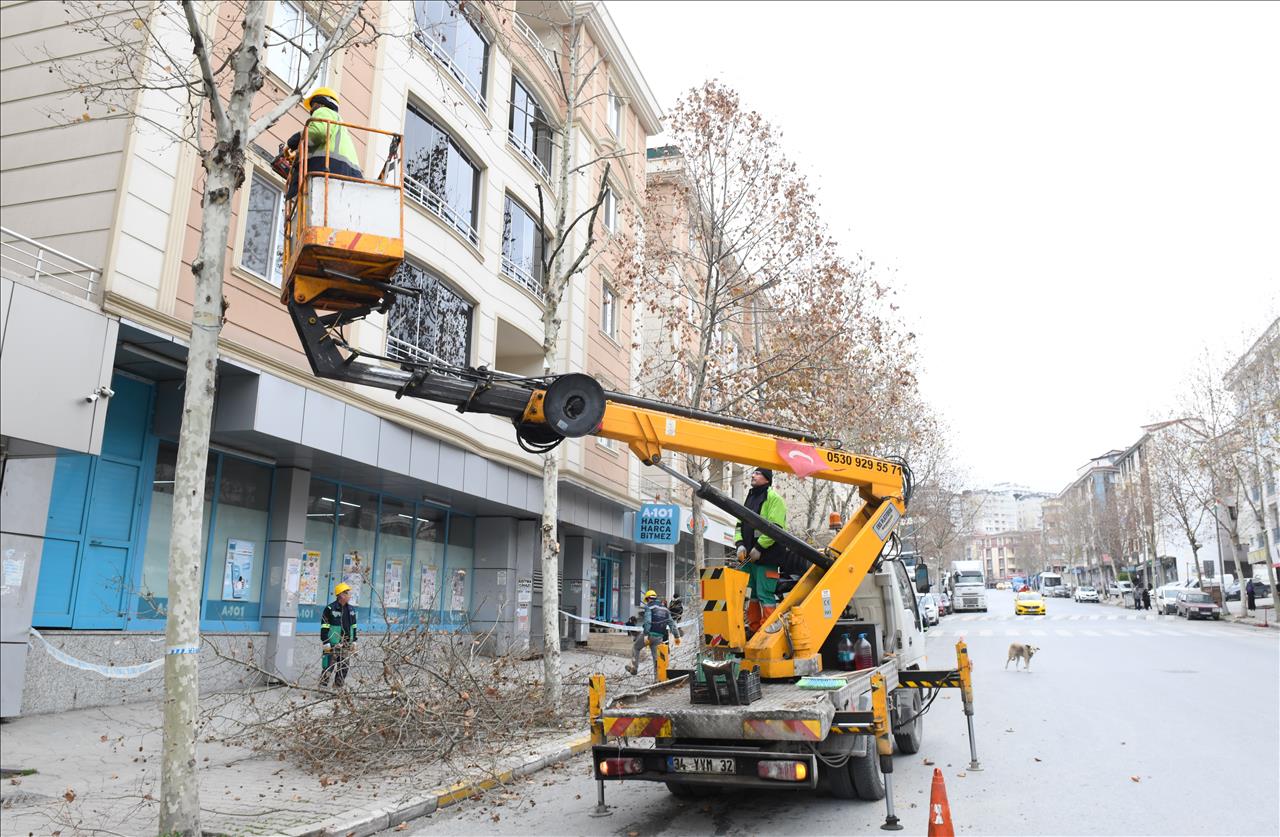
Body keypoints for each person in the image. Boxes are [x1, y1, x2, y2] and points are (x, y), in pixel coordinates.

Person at [733, 467, 803, 633]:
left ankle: (768, 631)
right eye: (753, 473)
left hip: (769, 557)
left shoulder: (774, 499)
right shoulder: (750, 498)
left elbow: (775, 528)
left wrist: (759, 547)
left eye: (757, 473)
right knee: (751, 594)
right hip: (750, 557)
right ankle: (754, 628)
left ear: (766, 479)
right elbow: (738, 525)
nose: (753, 475)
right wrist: (740, 544)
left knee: (765, 593)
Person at [285, 87, 364, 200]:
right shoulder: (338, 122)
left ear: (319, 103)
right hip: (349, 174)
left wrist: (296, 139)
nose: (311, 111)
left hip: (331, 167)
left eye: (312, 106)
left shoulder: (323, 111)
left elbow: (319, 132)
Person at [626, 590, 672, 677]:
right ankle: (657, 678)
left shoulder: (649, 607)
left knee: (636, 647)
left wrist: (646, 635)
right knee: (656, 658)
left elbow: (647, 622)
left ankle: (634, 667)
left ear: (648, 599)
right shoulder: (664, 608)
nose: (646, 602)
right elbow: (671, 623)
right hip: (659, 637)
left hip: (649, 634)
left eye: (646, 600)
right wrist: (677, 636)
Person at [321, 582, 359, 687]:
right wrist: (326, 642)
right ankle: (322, 687)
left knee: (344, 667)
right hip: (333, 644)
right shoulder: (329, 609)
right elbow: (324, 626)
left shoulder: (351, 610)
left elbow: (354, 626)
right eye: (347, 593)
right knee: (328, 667)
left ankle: (337, 688)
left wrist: (354, 640)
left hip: (346, 643)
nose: (349, 595)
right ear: (341, 595)